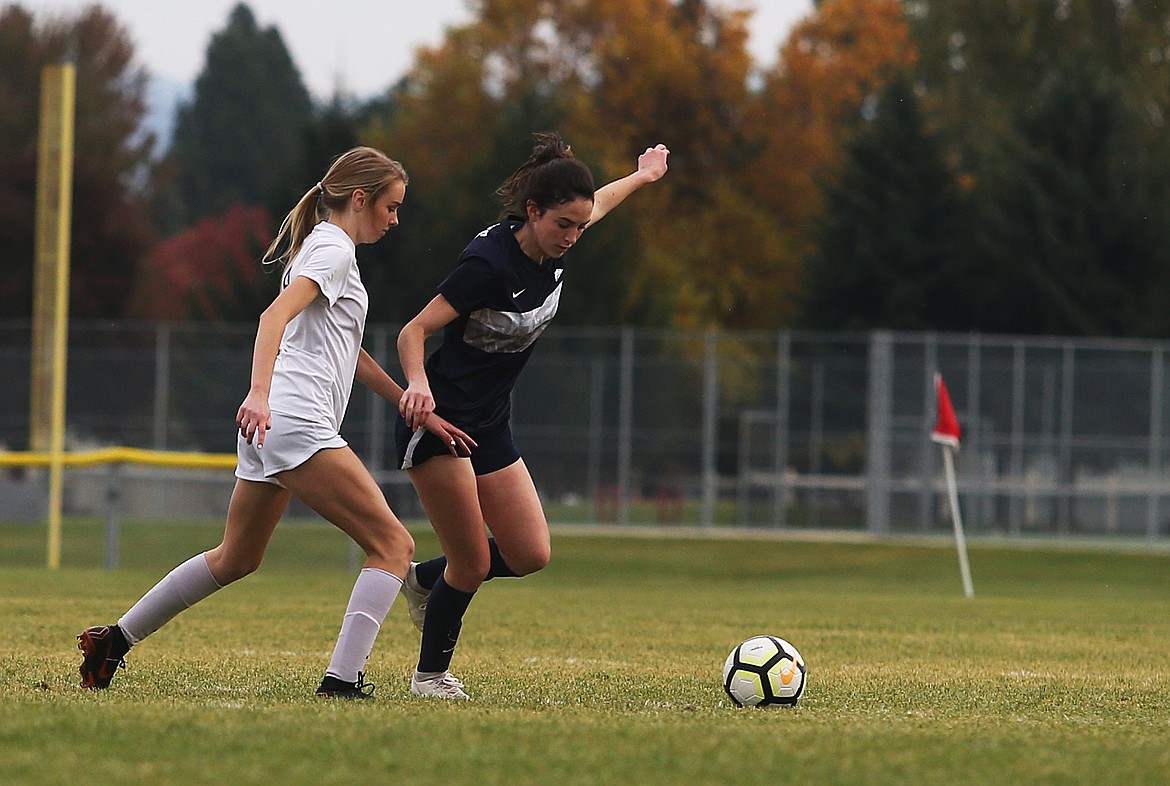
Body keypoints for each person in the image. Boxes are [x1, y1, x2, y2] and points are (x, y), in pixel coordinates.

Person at [76, 146, 474, 699]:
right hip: (293, 421)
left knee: (235, 557)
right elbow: (273, 318)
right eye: (392, 206)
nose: (395, 219)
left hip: (274, 428)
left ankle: (113, 641)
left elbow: (348, 352)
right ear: (361, 199)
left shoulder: (322, 247)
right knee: (394, 545)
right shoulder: (333, 249)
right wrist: (259, 394)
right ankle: (341, 682)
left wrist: (408, 401)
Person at [395, 132, 669, 699]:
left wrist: (641, 177)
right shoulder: (488, 264)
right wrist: (418, 386)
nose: (573, 235)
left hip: (490, 424)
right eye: (563, 225)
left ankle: (425, 579)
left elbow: (599, 206)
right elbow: (413, 331)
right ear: (533, 211)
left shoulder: (557, 238)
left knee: (528, 553)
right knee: (470, 564)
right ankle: (429, 678)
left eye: (579, 225)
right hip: (442, 423)